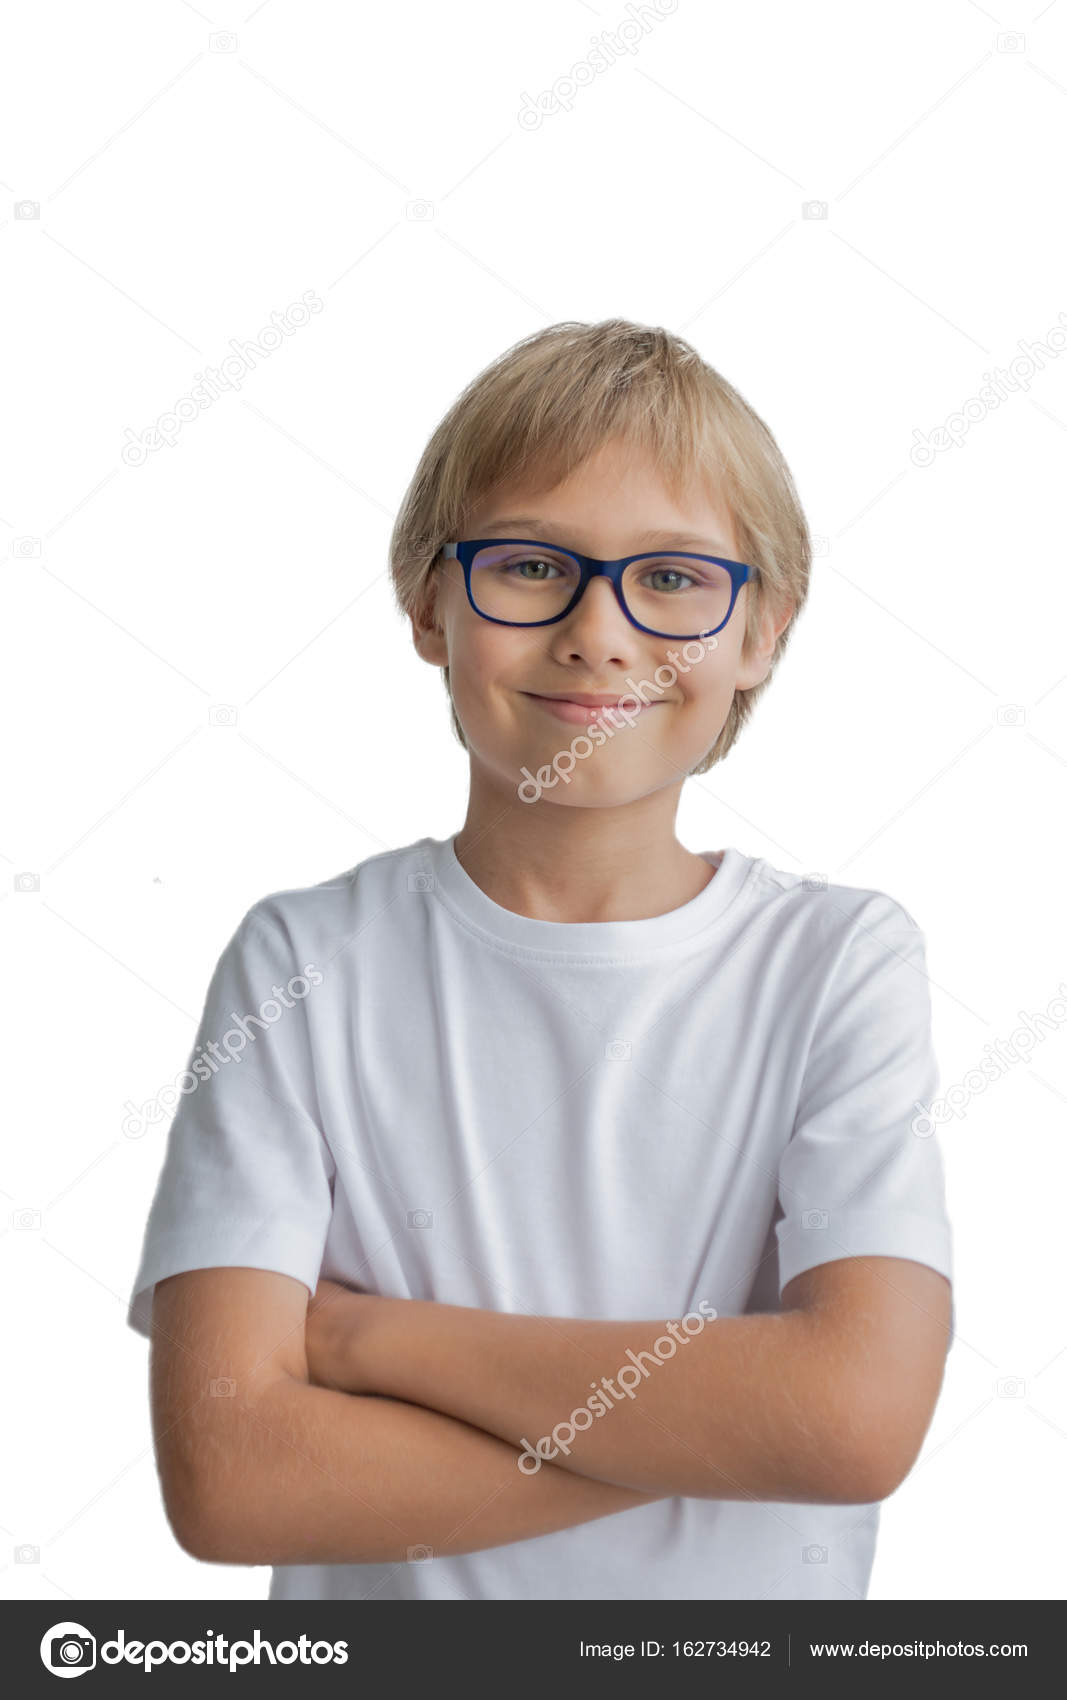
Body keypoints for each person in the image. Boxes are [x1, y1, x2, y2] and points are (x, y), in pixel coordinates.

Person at [128, 318, 954, 1601]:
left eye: (674, 578)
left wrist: (359, 1337)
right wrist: (728, 1418)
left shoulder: (836, 959)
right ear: (427, 602)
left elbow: (851, 1423)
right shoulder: (303, 960)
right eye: (526, 565)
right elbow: (235, 1478)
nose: (596, 632)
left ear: (761, 632)